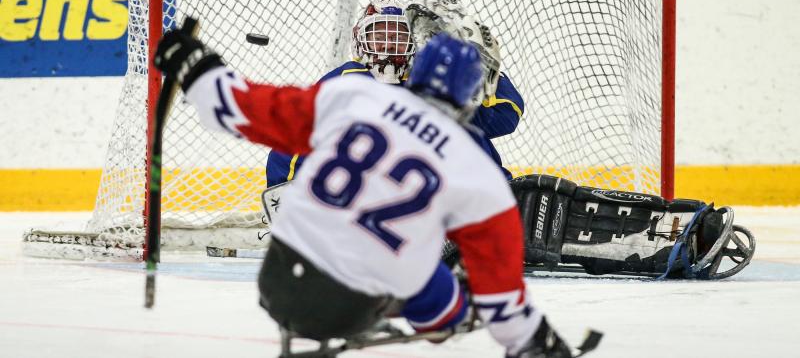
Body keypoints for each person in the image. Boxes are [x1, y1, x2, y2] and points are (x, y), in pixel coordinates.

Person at [154, 25, 578, 358]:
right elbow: (503, 296)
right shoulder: (476, 172)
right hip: (351, 308)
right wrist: (532, 340)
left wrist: (197, 67)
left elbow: (245, 109)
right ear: (472, 96)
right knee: (441, 282)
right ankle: (444, 319)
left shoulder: (354, 96)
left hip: (276, 281)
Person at [265, 0, 525, 188]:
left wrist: (483, 72)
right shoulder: (347, 80)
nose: (389, 43)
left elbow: (504, 117)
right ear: (360, 40)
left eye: (398, 36)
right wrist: (283, 190)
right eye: (379, 35)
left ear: (414, 42)